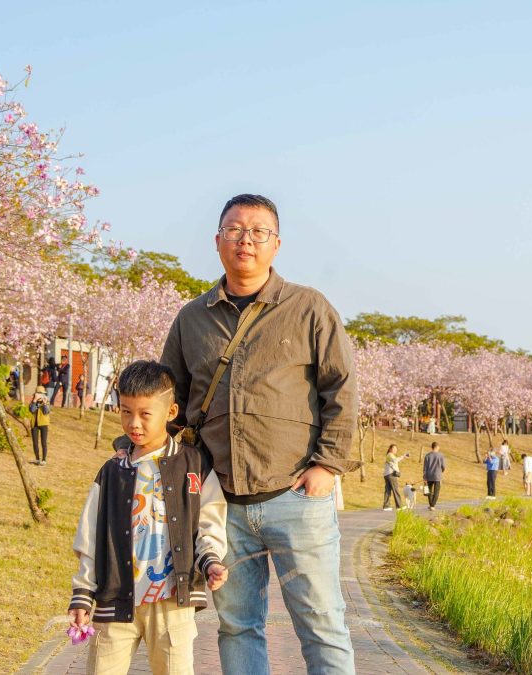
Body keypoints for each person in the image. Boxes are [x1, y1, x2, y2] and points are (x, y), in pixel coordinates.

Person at [158, 193, 358, 674]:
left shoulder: (309, 308)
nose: (245, 239)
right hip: (222, 501)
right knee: (238, 626)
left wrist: (327, 465)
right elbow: (172, 399)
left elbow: (341, 387)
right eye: (234, 229)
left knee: (322, 623)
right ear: (218, 240)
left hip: (297, 496)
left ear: (276, 244)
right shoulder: (192, 318)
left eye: (258, 231)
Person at [67, 360, 228, 675]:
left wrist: (210, 560)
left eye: (144, 414)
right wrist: (82, 595)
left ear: (170, 413)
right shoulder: (112, 471)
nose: (134, 423)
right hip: (115, 600)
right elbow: (90, 537)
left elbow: (209, 519)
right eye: (126, 411)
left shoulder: (193, 465)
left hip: (172, 601)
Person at [29, 387, 51, 465]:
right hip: (34, 423)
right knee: (35, 442)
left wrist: (44, 403)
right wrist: (35, 401)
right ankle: (37, 458)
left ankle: (44, 459)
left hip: (44, 423)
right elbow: (32, 410)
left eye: (41, 393)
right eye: (38, 393)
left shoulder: (46, 401)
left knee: (43, 442)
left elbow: (46, 412)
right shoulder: (33, 401)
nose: (39, 395)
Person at [382, 444, 406, 511]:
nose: (395, 450)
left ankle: (386, 506)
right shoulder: (389, 455)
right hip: (391, 475)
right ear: (390, 449)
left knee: (387, 490)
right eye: (394, 448)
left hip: (387, 474)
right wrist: (402, 457)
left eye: (396, 448)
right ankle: (399, 506)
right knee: (396, 490)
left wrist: (402, 457)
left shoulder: (389, 455)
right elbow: (395, 460)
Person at [422, 441, 445, 510]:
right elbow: (443, 466)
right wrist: (442, 471)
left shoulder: (427, 455)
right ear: (437, 447)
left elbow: (425, 467)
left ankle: (431, 505)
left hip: (429, 475)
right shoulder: (440, 455)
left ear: (432, 447)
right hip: (437, 475)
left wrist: (424, 477)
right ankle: (432, 505)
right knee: (436, 491)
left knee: (429, 491)